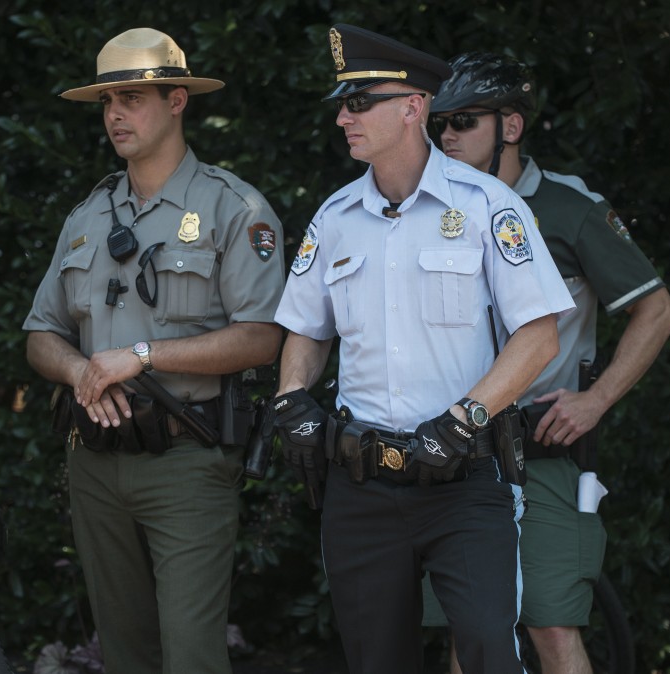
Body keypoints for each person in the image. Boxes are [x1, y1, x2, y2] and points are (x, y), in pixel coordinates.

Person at [272, 24, 575, 673]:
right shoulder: (334, 218)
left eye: (359, 101)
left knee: (490, 651)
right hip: (360, 486)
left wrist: (467, 416)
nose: (342, 116)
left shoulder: (488, 206)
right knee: (375, 660)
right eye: (341, 103)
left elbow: (539, 334)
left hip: (462, 481)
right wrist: (292, 395)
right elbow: (306, 329)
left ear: (413, 107)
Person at [23, 27, 285, 674]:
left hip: (186, 462)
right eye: (108, 101)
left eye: (133, 99)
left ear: (177, 101)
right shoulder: (88, 216)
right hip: (94, 461)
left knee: (193, 654)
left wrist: (141, 355)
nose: (116, 114)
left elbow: (263, 336)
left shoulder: (233, 208)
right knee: (123, 652)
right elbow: (39, 335)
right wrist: (80, 368)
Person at [422, 52, 670, 674]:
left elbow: (658, 310)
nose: (448, 136)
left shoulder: (568, 208)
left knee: (553, 628)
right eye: (441, 124)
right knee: (469, 634)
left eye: (464, 121)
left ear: (510, 126)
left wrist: (596, 400)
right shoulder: (429, 211)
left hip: (539, 455)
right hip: (451, 455)